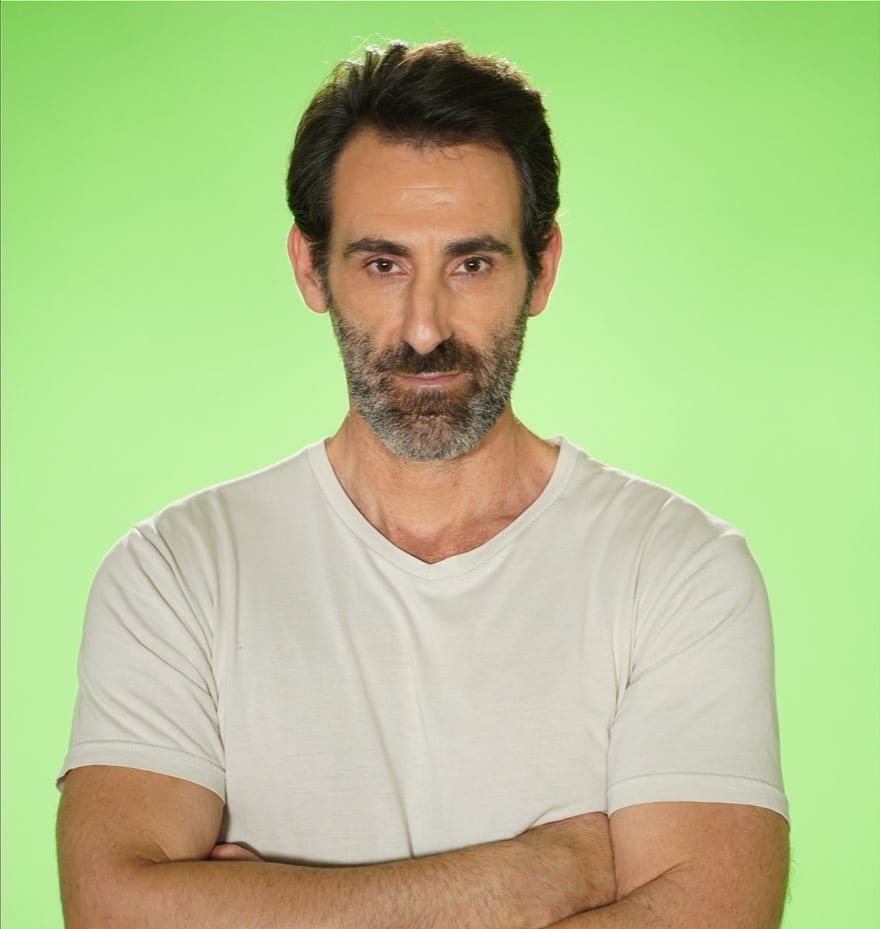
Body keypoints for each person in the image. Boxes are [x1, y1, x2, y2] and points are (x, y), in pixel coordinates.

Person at [56, 39, 789, 928]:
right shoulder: (175, 574)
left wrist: (263, 907)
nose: (425, 328)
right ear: (310, 268)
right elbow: (113, 910)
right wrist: (534, 876)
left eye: (472, 264)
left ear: (543, 268)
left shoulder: (677, 571)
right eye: (383, 263)